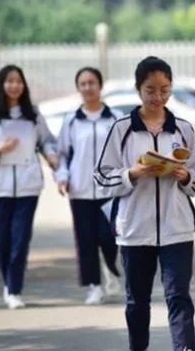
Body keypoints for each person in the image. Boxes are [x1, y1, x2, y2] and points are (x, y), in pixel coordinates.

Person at [94, 56, 195, 350]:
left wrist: (184, 176)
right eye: (151, 90)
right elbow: (101, 177)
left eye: (165, 90)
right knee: (137, 302)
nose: (158, 97)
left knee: (179, 297)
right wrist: (132, 173)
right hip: (134, 230)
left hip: (177, 228)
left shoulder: (183, 128)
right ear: (138, 89)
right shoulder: (121, 130)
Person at [0, 65, 58, 309]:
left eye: (18, 81)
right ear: (1, 85)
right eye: (9, 81)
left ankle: (14, 289)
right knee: (0, 244)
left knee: (19, 241)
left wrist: (51, 157)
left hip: (28, 187)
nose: (14, 85)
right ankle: (9, 280)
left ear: (24, 85)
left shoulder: (33, 114)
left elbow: (47, 141)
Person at [54, 67, 123, 305]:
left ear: (100, 86)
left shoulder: (114, 118)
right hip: (80, 190)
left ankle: (110, 268)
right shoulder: (72, 121)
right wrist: (62, 176)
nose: (87, 88)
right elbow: (62, 154)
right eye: (82, 84)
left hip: (110, 191)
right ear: (78, 88)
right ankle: (94, 286)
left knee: (109, 237)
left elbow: (123, 152)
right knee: (86, 239)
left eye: (91, 83)